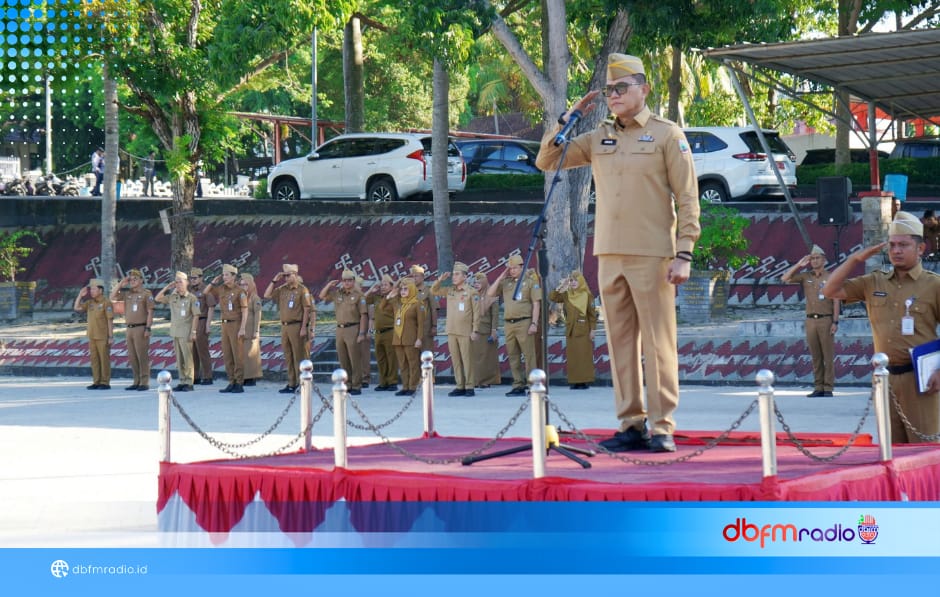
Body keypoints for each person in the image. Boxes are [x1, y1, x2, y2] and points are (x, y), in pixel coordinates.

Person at [535, 53, 700, 453]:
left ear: (644, 89)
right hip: (608, 252)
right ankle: (631, 423)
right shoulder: (597, 137)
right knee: (620, 342)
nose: (614, 95)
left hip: (653, 254)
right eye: (609, 90)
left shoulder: (666, 134)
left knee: (658, 343)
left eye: (622, 88)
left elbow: (688, 195)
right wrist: (566, 120)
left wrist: (685, 252)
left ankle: (662, 426)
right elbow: (547, 160)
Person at [822, 211, 940, 444]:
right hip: (884, 379)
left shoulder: (933, 284)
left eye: (904, 245)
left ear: (920, 249)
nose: (896, 250)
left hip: (921, 380)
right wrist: (855, 260)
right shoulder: (874, 281)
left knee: (923, 452)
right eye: (892, 245)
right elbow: (830, 291)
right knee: (890, 451)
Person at [781, 245, 841, 397]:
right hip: (810, 321)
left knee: (827, 355)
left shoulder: (830, 276)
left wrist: (835, 322)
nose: (814, 261)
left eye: (817, 258)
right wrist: (799, 265)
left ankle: (828, 387)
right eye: (812, 258)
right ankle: (818, 386)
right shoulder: (805, 276)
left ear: (824, 260)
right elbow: (784, 278)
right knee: (815, 356)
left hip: (826, 320)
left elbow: (836, 301)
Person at [486, 253, 541, 397]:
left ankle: (532, 384)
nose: (512, 271)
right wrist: (501, 276)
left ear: (522, 267)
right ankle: (518, 384)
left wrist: (534, 323)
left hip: (525, 322)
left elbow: (536, 304)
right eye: (510, 268)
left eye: (515, 268)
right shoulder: (506, 282)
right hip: (509, 324)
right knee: (513, 355)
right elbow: (491, 293)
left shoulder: (530, 282)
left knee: (529, 356)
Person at [431, 262, 482, 396]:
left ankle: (470, 386)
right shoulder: (450, 290)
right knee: (456, 360)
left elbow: (477, 313)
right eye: (453, 274)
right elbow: (433, 291)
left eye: (457, 274)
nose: (454, 277)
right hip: (452, 331)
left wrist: (475, 330)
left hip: (466, 332)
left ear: (465, 277)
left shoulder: (472, 292)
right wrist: (440, 280)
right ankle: (460, 386)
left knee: (467, 360)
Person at [264, 264, 313, 393]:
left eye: (288, 275)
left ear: (295, 275)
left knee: (299, 356)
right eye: (284, 275)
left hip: (296, 325)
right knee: (288, 356)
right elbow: (266, 295)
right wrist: (274, 280)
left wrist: (304, 328)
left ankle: (301, 383)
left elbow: (307, 310)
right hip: (285, 326)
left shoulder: (302, 290)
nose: (285, 278)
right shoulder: (282, 289)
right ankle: (291, 383)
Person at [319, 269, 368, 395]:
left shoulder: (359, 296)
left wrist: (362, 332)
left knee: (354, 358)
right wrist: (329, 285)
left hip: (353, 328)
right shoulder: (337, 294)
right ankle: (347, 383)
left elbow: (363, 315)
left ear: (353, 281)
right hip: (340, 329)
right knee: (343, 358)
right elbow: (322, 296)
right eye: (345, 280)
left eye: (349, 280)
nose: (347, 283)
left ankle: (356, 385)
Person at [549, 270, 598, 390]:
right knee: (573, 358)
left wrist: (593, 330)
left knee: (583, 357)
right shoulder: (567, 295)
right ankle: (575, 381)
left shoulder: (587, 296)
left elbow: (592, 315)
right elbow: (552, 297)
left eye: (576, 280)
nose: (573, 282)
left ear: (581, 281)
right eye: (571, 280)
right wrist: (562, 285)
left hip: (583, 331)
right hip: (571, 331)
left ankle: (584, 381)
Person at [205, 264, 248, 393]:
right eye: (223, 275)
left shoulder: (240, 291)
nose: (224, 277)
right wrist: (213, 282)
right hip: (224, 324)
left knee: (237, 354)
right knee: (227, 354)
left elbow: (245, 311)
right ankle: (231, 381)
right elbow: (206, 292)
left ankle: (239, 382)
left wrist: (242, 328)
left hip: (236, 323)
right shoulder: (221, 289)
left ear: (234, 276)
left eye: (227, 275)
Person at [110, 268, 155, 391]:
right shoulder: (127, 293)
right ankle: (136, 381)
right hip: (129, 328)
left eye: (135, 279)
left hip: (141, 327)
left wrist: (148, 328)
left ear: (141, 280)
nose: (132, 281)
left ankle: (144, 382)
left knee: (142, 356)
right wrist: (120, 284)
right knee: (132, 356)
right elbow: (112, 296)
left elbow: (150, 312)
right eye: (131, 279)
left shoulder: (146, 294)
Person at [154, 271, 199, 392]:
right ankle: (182, 380)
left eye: (180, 281)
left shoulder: (192, 298)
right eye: (176, 282)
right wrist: (167, 287)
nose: (178, 284)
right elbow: (157, 298)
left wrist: (193, 332)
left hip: (186, 332)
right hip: (175, 331)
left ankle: (189, 382)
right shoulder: (173, 297)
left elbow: (196, 316)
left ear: (187, 283)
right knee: (179, 359)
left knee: (187, 358)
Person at [383, 277, 426, 396]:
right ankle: (405, 386)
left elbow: (421, 324)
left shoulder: (418, 304)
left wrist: (419, 339)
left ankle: (413, 387)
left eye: (406, 289)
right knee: (402, 364)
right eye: (401, 289)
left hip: (411, 339)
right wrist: (392, 293)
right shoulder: (398, 304)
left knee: (413, 364)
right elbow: (383, 306)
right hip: (398, 339)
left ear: (412, 290)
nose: (402, 291)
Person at [73, 278, 114, 390]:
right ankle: (96, 381)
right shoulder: (90, 303)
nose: (91, 291)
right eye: (91, 289)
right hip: (92, 336)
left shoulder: (106, 302)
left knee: (104, 360)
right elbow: (76, 308)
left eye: (94, 289)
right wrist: (80, 295)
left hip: (103, 336)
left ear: (100, 290)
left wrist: (110, 336)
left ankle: (105, 382)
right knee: (94, 360)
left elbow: (110, 321)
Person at [365, 274, 399, 392]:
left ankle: (392, 382)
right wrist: (371, 290)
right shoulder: (376, 298)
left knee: (391, 358)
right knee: (381, 359)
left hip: (390, 331)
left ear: (391, 286)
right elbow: (363, 300)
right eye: (382, 285)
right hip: (378, 332)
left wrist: (393, 292)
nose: (383, 287)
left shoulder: (394, 297)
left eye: (385, 285)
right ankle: (383, 382)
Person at [471, 272, 501, 388]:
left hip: (486, 331)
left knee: (485, 358)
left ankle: (485, 380)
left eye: (479, 282)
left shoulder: (491, 295)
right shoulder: (473, 294)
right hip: (474, 330)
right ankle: (475, 380)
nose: (476, 285)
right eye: (475, 282)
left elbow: (495, 314)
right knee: (475, 357)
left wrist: (494, 330)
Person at [189, 267, 215, 384]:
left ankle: (207, 376)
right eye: (191, 278)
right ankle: (195, 376)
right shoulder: (190, 290)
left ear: (201, 278)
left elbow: (211, 307)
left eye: (195, 278)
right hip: (192, 322)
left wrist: (208, 324)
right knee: (193, 350)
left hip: (202, 320)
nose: (192, 280)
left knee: (202, 350)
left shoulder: (206, 290)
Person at [240, 273, 263, 386]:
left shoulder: (255, 298)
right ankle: (244, 376)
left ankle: (251, 377)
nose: (243, 286)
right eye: (241, 284)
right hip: (243, 330)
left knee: (251, 354)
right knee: (244, 354)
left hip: (251, 329)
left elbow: (258, 314)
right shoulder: (242, 297)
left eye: (245, 284)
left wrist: (256, 330)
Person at [410, 265, 438, 357]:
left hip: (426, 328)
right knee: (414, 357)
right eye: (412, 276)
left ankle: (429, 372)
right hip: (412, 328)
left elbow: (434, 309)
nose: (414, 278)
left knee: (427, 354)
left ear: (422, 277)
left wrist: (434, 326)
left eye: (416, 276)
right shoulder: (409, 291)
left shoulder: (428, 291)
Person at [356, 275, 372, 388]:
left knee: (364, 354)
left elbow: (371, 317)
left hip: (364, 328)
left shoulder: (365, 298)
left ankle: (365, 378)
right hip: (352, 329)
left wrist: (370, 331)